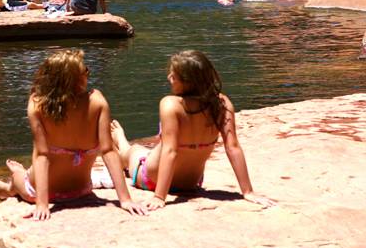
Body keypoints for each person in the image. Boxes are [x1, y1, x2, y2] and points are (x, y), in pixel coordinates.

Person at [0, 50, 147, 220]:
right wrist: (125, 200)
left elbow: (42, 155)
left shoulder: (37, 103)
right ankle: (14, 181)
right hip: (81, 191)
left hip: (36, 193)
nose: (88, 73)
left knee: (20, 177)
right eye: (85, 70)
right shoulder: (97, 100)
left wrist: (42, 204)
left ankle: (11, 185)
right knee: (29, 171)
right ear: (74, 79)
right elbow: (108, 151)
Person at [112, 51, 274, 210]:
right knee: (147, 149)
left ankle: (120, 139)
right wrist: (248, 191)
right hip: (191, 183)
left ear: (188, 82)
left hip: (150, 179)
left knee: (134, 150)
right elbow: (233, 147)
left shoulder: (171, 104)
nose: (169, 78)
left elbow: (170, 151)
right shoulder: (221, 104)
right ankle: (122, 139)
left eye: (173, 76)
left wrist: (159, 196)